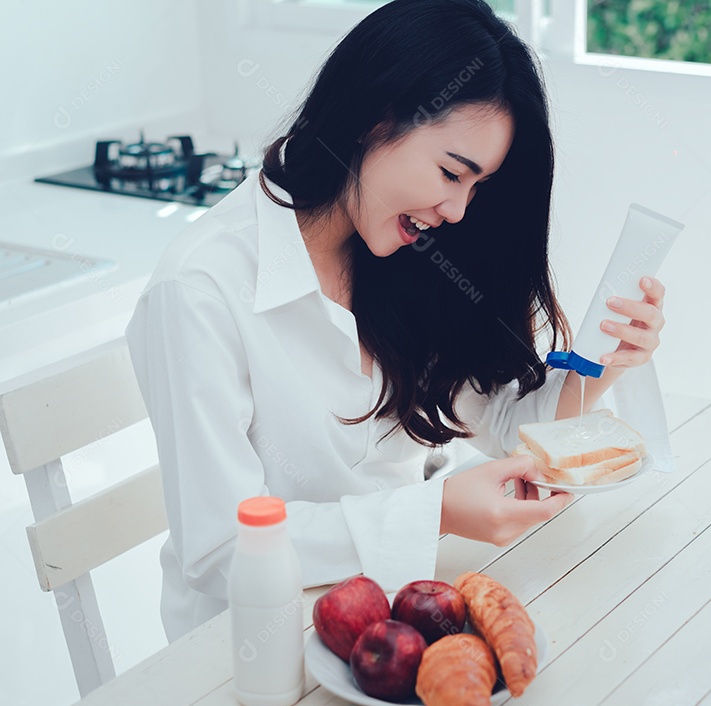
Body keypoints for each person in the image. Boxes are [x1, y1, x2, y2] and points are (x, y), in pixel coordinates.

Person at [125, 0, 668, 643]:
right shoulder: (202, 290)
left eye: (478, 188)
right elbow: (221, 550)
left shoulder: (401, 258)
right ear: (372, 118)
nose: (459, 210)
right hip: (251, 648)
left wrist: (604, 360)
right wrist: (435, 512)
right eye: (450, 173)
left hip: (392, 622)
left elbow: (497, 423)